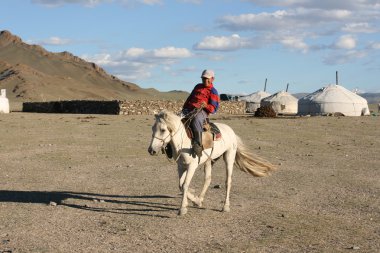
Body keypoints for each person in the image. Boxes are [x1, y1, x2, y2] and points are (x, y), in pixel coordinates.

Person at [182, 69, 220, 157]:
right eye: (203, 78)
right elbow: (189, 98)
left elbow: (214, 109)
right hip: (189, 109)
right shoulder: (197, 86)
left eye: (207, 78)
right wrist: (184, 109)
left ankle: (198, 144)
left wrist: (206, 105)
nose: (205, 80)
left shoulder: (213, 91)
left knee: (196, 119)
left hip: (202, 111)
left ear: (212, 79)